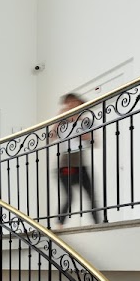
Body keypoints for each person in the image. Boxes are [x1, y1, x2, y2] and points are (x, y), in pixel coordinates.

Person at [52, 92, 102, 228]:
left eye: (74, 103)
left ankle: (98, 224)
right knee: (69, 197)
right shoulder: (62, 122)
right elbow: (51, 136)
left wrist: (83, 133)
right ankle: (59, 225)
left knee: (91, 195)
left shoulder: (85, 122)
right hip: (65, 165)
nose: (71, 105)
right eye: (68, 103)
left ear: (80, 105)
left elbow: (94, 143)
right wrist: (58, 119)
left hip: (80, 164)